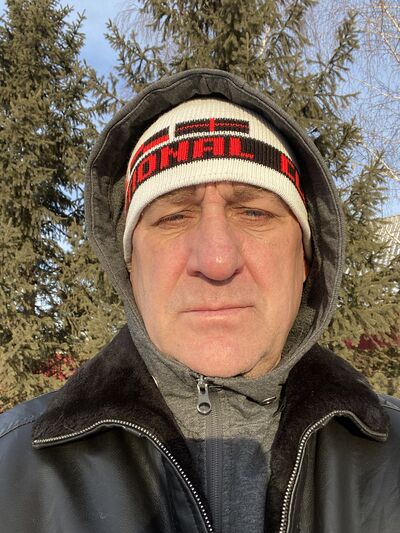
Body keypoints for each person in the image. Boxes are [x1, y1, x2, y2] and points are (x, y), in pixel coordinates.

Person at [0, 69, 399, 533]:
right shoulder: (10, 475)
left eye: (254, 212)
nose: (216, 260)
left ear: (306, 259)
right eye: (173, 217)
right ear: (130, 265)